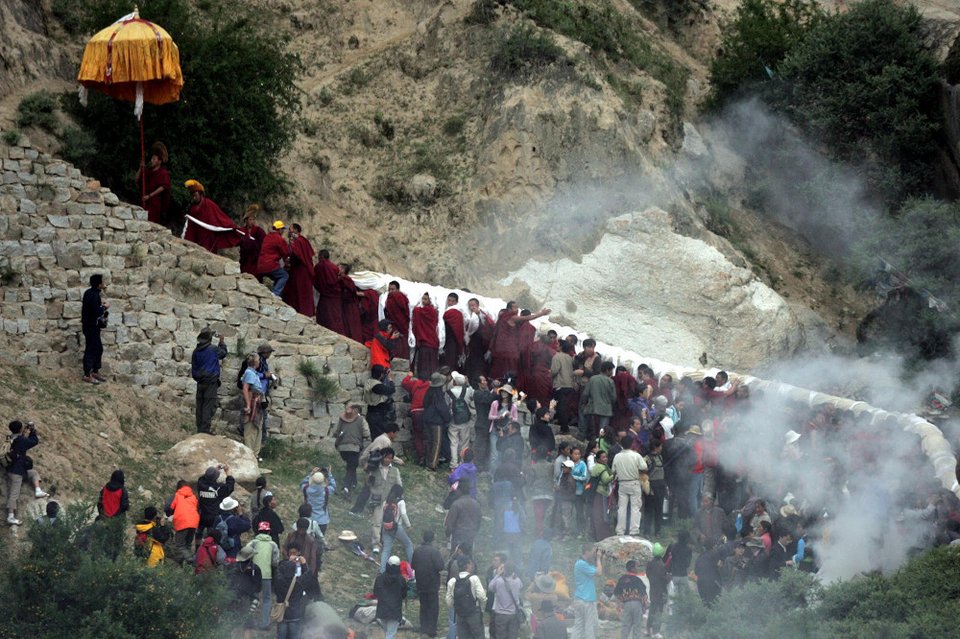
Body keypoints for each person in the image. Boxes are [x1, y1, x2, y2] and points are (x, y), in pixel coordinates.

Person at [488, 302, 550, 381]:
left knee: (498, 370)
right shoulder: (511, 317)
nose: (517, 309)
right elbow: (527, 318)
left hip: (501, 349)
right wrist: (541, 313)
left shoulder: (503, 316)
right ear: (510, 309)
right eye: (515, 307)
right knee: (505, 372)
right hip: (507, 351)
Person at [238, 520, 280, 631]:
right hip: (266, 575)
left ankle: (249, 621)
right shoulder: (273, 545)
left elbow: (244, 553)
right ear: (269, 532)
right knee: (267, 599)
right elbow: (275, 562)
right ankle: (265, 623)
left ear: (259, 531)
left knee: (252, 598)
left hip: (253, 575)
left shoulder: (253, 543)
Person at [5, 420, 48, 525]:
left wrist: (25, 430)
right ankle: (10, 516)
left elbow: (21, 438)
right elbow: (33, 441)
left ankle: (38, 490)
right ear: (20, 429)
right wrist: (32, 430)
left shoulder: (11, 438)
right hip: (17, 472)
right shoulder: (20, 441)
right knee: (14, 495)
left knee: (33, 473)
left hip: (11, 468)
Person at [182, 179, 243, 252]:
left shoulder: (208, 203)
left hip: (209, 235)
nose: (194, 198)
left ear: (201, 194)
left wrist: (230, 226)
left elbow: (219, 216)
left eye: (195, 195)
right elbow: (192, 225)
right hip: (199, 236)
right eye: (192, 196)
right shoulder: (193, 208)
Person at [191, 328, 228, 434]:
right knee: (209, 405)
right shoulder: (213, 349)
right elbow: (223, 353)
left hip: (200, 382)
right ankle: (205, 430)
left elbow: (194, 368)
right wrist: (222, 342)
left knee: (200, 405)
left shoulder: (196, 351)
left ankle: (199, 428)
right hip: (211, 382)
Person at [274, 542, 314, 639]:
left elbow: (277, 570)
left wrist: (287, 561)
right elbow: (309, 575)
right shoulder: (298, 583)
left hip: (282, 615)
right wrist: (304, 564)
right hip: (295, 615)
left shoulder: (278, 580)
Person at [368, 447, 403, 553]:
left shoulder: (395, 471)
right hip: (377, 500)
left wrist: (397, 498)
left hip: (389, 501)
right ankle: (376, 544)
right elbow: (368, 483)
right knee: (377, 522)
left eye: (390, 458)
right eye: (386, 457)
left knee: (387, 522)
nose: (387, 460)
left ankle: (385, 541)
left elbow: (399, 485)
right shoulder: (374, 469)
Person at [411, 529, 445, 638]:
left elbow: (412, 566)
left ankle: (424, 628)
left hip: (420, 583)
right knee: (433, 607)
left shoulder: (417, 551)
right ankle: (431, 630)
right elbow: (440, 567)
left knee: (423, 606)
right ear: (433, 539)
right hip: (432, 584)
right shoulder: (434, 552)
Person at [328, 403, 370, 493]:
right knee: (351, 467)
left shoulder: (342, 419)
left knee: (351, 465)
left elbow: (335, 432)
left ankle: (354, 483)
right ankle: (346, 487)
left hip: (342, 448)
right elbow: (366, 433)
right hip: (354, 447)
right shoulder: (361, 419)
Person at [611, 438, 647, 536]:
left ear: (621, 444)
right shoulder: (636, 455)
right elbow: (644, 467)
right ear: (632, 444)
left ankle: (620, 531)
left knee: (622, 508)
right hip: (634, 483)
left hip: (622, 484)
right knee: (635, 508)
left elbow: (613, 470)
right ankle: (634, 531)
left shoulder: (617, 456)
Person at [446, 555, 487, 639]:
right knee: (478, 636)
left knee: (463, 636)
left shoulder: (452, 581)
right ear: (468, 565)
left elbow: (449, 602)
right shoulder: (474, 578)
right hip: (474, 613)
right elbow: (482, 597)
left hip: (460, 614)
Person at [282, 223, 316, 316]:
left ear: (296, 230)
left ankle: (302, 312)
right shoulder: (302, 240)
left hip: (300, 270)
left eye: (291, 229)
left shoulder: (299, 241)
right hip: (300, 269)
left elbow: (298, 255)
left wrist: (290, 254)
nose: (289, 231)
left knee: (300, 291)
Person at [81, 273, 109, 384]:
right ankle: (87, 375)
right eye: (103, 281)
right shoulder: (93, 295)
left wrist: (99, 304)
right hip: (90, 327)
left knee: (98, 349)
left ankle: (95, 372)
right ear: (99, 284)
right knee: (91, 350)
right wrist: (105, 307)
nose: (104, 283)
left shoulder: (90, 293)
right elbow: (96, 312)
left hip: (92, 326)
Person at [379, 484, 414, 574]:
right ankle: (413, 567)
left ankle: (382, 571)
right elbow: (403, 514)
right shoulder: (401, 502)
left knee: (386, 549)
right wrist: (409, 525)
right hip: (397, 527)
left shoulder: (386, 501)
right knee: (408, 544)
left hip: (386, 527)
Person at [283, 518, 321, 598]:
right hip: (291, 565)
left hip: (303, 567)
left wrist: (310, 572)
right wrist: (288, 560)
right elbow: (284, 549)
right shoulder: (291, 535)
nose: (300, 531)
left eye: (303, 529)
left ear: (306, 529)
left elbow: (313, 558)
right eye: (299, 528)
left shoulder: (311, 540)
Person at [422, 372, 452, 471]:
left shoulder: (428, 393)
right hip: (436, 422)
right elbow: (442, 409)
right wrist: (447, 418)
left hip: (427, 419)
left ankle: (428, 462)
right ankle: (433, 465)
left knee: (430, 442)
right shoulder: (438, 395)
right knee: (437, 443)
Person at [197, 464, 236, 541]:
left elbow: (201, 478)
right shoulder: (219, 489)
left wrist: (213, 471)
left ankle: (197, 549)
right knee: (212, 537)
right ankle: (209, 550)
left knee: (198, 534)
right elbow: (230, 485)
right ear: (217, 477)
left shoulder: (200, 485)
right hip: (214, 517)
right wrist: (227, 472)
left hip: (202, 515)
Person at [572, 544, 603, 639]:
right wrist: (598, 559)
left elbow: (598, 570)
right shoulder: (582, 564)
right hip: (586, 600)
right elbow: (599, 573)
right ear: (587, 551)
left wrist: (600, 560)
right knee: (590, 626)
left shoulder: (582, 564)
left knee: (579, 625)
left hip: (580, 598)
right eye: (593, 552)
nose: (594, 554)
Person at [580, 361, 616, 442]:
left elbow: (585, 394)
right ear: (607, 370)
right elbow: (613, 398)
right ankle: (600, 445)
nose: (612, 373)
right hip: (606, 410)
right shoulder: (610, 381)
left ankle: (584, 438)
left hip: (593, 409)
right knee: (602, 432)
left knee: (591, 429)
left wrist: (583, 404)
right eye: (611, 370)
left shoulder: (593, 379)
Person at [137, 141, 171, 225]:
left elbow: (163, 187)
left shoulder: (163, 172)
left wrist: (149, 196)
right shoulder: (148, 171)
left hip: (154, 204)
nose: (152, 160)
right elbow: (137, 179)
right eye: (152, 158)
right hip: (144, 201)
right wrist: (140, 168)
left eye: (154, 159)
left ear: (159, 161)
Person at [411, 292, 443, 380]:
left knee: (423, 366)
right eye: (423, 299)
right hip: (432, 342)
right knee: (431, 366)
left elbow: (415, 313)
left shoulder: (419, 311)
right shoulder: (435, 311)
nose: (423, 301)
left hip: (424, 342)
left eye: (426, 299)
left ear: (430, 300)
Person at [374, 555, 408, 639]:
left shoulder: (379, 578)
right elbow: (404, 595)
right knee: (390, 634)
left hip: (382, 610)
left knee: (387, 633)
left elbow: (376, 593)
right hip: (395, 611)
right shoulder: (401, 580)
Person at [487, 385, 518, 474]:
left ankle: (501, 474)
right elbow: (490, 416)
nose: (504, 393)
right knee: (494, 454)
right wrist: (498, 417)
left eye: (506, 392)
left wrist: (510, 416)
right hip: (495, 431)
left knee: (503, 453)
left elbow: (516, 419)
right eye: (502, 392)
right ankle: (492, 474)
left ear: (509, 394)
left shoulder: (513, 407)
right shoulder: (495, 403)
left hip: (506, 432)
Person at [488, 562, 524, 639]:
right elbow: (521, 586)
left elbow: (490, 587)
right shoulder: (517, 580)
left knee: (501, 636)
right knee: (512, 635)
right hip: (513, 613)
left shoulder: (499, 581)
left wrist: (498, 574)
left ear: (504, 570)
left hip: (501, 614)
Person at [167, 479, 199, 564]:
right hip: (193, 522)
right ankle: (184, 564)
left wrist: (170, 514)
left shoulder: (177, 495)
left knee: (180, 545)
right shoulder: (193, 496)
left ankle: (190, 560)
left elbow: (169, 507)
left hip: (182, 522)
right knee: (188, 544)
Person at [614, 560, 648, 639]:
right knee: (637, 626)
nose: (637, 569)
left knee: (626, 625)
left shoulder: (622, 579)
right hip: (637, 604)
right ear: (632, 568)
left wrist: (621, 602)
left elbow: (616, 592)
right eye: (636, 567)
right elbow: (644, 594)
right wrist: (644, 606)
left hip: (627, 605)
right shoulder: (638, 580)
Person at [314, 249, 345, 335]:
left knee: (323, 314)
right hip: (335, 296)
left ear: (321, 256)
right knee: (335, 315)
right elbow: (338, 280)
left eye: (318, 257)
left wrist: (321, 289)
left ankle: (322, 331)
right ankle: (337, 332)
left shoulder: (317, 267)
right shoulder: (333, 267)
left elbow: (314, 280)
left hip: (324, 295)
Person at [445, 481, 482, 552]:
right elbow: (479, 522)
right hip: (471, 535)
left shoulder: (456, 504)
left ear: (459, 491)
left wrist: (448, 534)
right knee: (468, 556)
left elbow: (450, 523)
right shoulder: (476, 504)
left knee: (455, 555)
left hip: (458, 535)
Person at [257, 220, 290, 297]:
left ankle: (275, 293)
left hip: (260, 265)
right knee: (284, 275)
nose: (283, 231)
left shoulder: (267, 236)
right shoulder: (279, 239)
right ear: (280, 229)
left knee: (277, 278)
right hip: (270, 265)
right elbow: (286, 252)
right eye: (282, 229)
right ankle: (275, 294)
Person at [447, 373, 474, 467]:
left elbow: (447, 406)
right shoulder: (468, 391)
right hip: (465, 420)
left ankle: (453, 464)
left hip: (453, 420)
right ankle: (463, 462)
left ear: (454, 381)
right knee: (464, 443)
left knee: (453, 443)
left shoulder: (449, 392)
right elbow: (472, 395)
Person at [240, 352, 265, 456]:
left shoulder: (253, 373)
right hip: (252, 401)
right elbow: (246, 389)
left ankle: (255, 454)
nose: (259, 362)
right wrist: (248, 405)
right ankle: (249, 454)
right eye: (258, 360)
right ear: (255, 362)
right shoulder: (249, 373)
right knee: (250, 429)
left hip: (257, 401)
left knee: (257, 427)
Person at [364, 364, 396, 440]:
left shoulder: (369, 382)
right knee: (380, 438)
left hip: (371, 412)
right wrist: (390, 379)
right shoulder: (377, 386)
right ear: (381, 374)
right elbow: (391, 390)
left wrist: (385, 374)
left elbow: (379, 381)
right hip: (378, 414)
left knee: (375, 438)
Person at [589, 450, 615, 541]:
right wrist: (615, 475)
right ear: (598, 459)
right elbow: (606, 480)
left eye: (606, 457)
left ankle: (595, 534)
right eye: (603, 457)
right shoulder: (601, 468)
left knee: (596, 514)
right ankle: (602, 536)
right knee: (602, 515)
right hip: (600, 493)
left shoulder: (597, 466)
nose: (606, 459)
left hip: (595, 493)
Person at [551, 341, 577, 433]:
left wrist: (548, 372)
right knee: (565, 407)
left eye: (558, 344)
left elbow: (554, 371)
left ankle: (564, 428)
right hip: (569, 385)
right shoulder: (569, 358)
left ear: (561, 347)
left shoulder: (557, 356)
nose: (556, 345)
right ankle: (563, 425)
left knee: (561, 407)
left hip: (560, 384)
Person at [301, 469, 335, 534]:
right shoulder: (326, 491)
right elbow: (333, 485)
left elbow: (302, 483)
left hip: (308, 519)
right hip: (322, 519)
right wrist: (330, 474)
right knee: (319, 540)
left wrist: (311, 473)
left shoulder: (306, 489)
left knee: (307, 540)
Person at [216, 496, 251, 561]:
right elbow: (247, 525)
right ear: (233, 508)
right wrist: (241, 515)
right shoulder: (234, 520)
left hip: (220, 547)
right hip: (232, 548)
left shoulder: (217, 518)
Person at [383, 281, 411, 359]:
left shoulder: (400, 297)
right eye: (389, 289)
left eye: (393, 289)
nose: (391, 291)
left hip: (401, 325)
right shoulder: (389, 298)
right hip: (393, 326)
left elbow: (405, 311)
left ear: (398, 289)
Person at [646, 543, 669, 639]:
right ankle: (656, 632)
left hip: (653, 590)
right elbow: (664, 579)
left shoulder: (650, 564)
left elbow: (648, 574)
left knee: (652, 609)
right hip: (661, 591)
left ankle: (648, 629)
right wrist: (669, 577)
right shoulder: (662, 565)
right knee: (659, 611)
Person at [339, 264, 364, 342]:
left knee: (353, 325)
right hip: (345, 305)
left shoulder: (345, 279)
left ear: (343, 270)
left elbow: (352, 290)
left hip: (351, 305)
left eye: (338, 267)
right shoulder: (343, 278)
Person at [239, 204, 266, 276]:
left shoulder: (259, 231)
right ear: (246, 220)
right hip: (245, 259)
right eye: (250, 219)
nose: (252, 221)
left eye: (253, 219)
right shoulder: (242, 230)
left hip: (255, 259)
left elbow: (264, 243)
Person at [442, 293, 466, 372]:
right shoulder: (445, 310)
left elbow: (459, 329)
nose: (450, 303)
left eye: (453, 301)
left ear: (456, 302)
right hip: (446, 339)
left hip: (453, 340)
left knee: (451, 361)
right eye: (449, 300)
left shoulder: (457, 313)